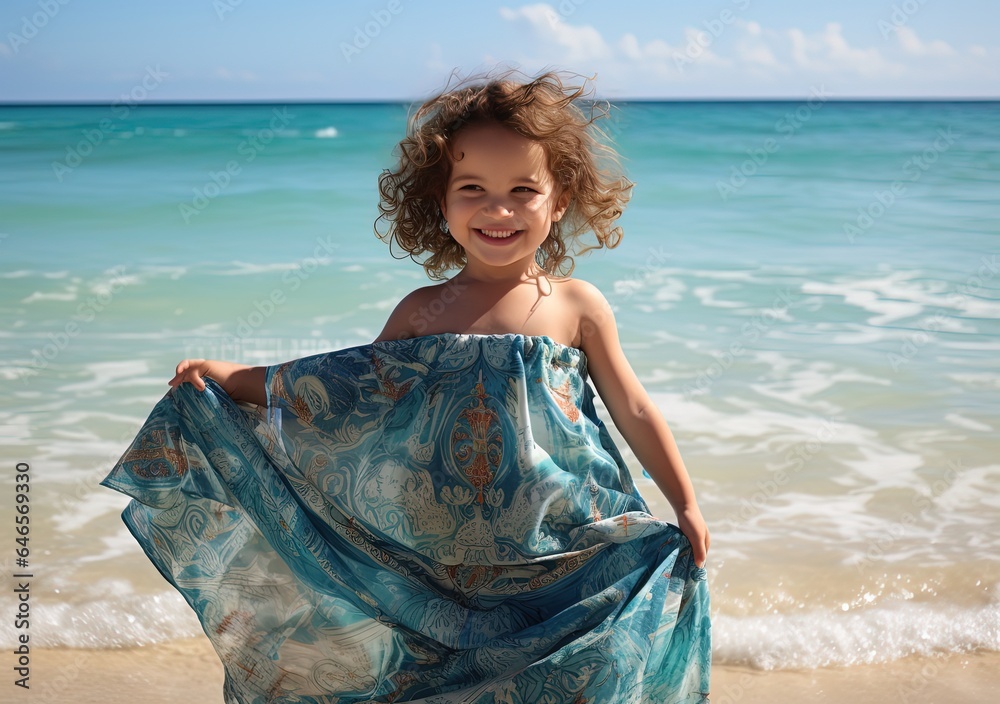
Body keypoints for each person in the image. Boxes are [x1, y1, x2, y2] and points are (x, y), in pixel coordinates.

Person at [103, 69, 711, 703]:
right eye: (472, 188)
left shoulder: (577, 304)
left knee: (582, 672)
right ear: (440, 201)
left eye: (523, 190)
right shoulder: (423, 310)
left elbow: (634, 406)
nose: (497, 209)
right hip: (444, 565)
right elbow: (343, 395)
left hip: (567, 546)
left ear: (558, 202)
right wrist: (235, 379)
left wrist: (685, 502)